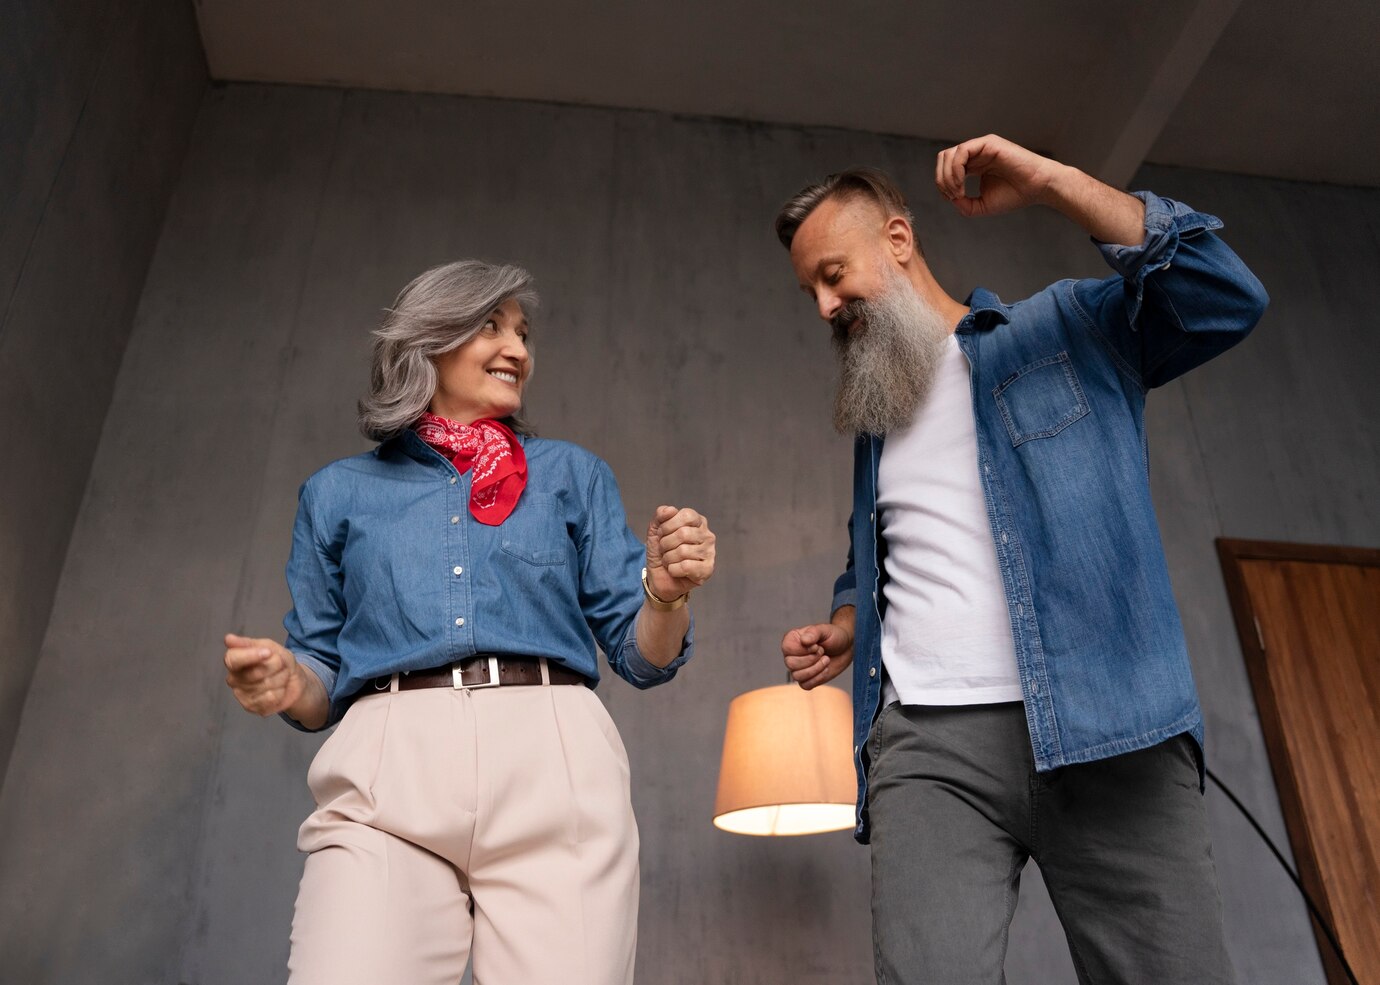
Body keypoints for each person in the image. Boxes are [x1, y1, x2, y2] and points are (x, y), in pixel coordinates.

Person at [775, 134, 1267, 984]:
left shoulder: (1063, 330)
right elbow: (891, 541)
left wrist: (1054, 181)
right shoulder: (878, 417)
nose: (824, 305)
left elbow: (1224, 295)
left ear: (898, 239)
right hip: (929, 747)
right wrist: (852, 616)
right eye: (811, 289)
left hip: (1107, 725)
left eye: (832, 273)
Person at [223, 260, 716, 985]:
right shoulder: (336, 493)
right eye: (491, 325)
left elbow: (640, 656)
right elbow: (320, 676)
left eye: (522, 331)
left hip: (555, 762)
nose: (517, 348)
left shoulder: (571, 475)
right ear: (427, 340)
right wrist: (283, 679)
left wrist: (667, 593)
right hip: (387, 761)